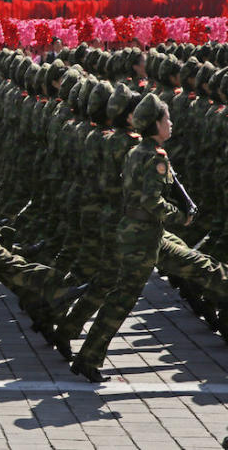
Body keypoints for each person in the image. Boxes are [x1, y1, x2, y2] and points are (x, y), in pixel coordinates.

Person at [71, 94, 191, 382]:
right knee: (122, 298)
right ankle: (87, 358)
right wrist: (179, 216)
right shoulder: (154, 157)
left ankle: (87, 356)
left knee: (122, 294)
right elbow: (152, 201)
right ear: (155, 125)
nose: (170, 124)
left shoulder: (138, 151)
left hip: (136, 231)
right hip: (143, 236)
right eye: (166, 119)